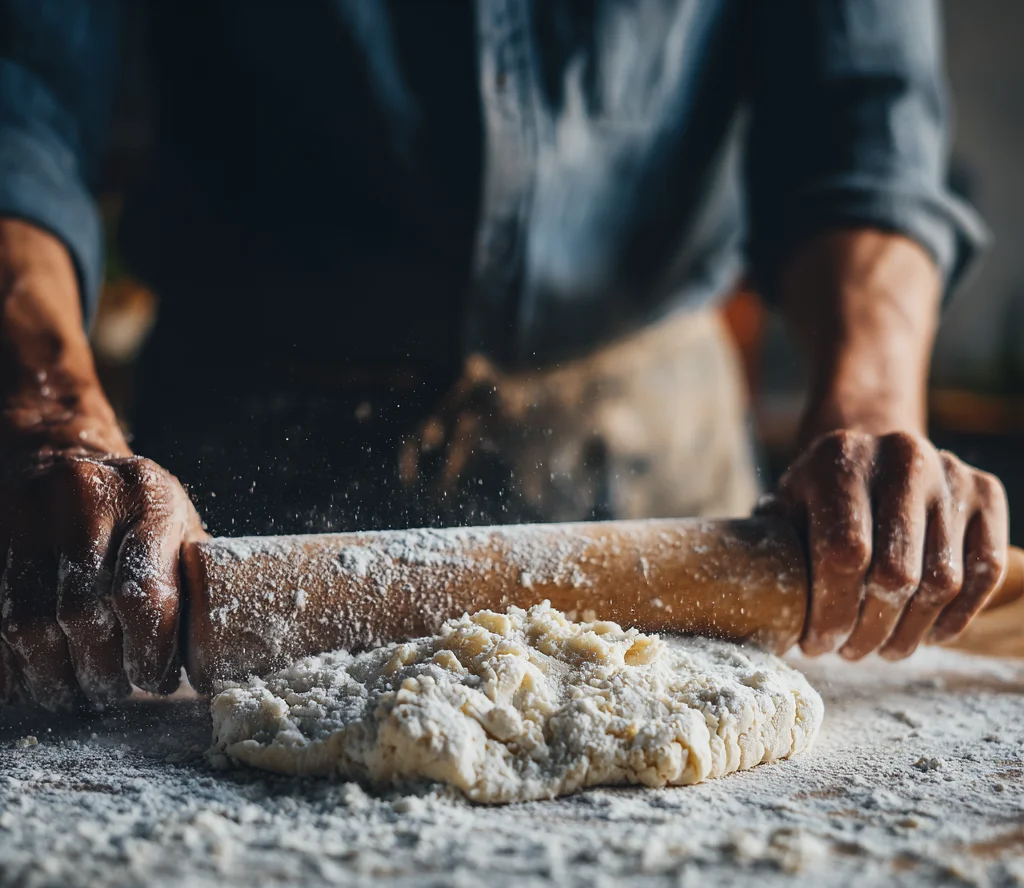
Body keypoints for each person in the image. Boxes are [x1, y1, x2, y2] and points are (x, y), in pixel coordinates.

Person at [0, 0, 1009, 712]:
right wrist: (55, 420)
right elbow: (22, 100)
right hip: (228, 484)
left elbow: (861, 115)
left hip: (652, 447)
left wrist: (871, 406)